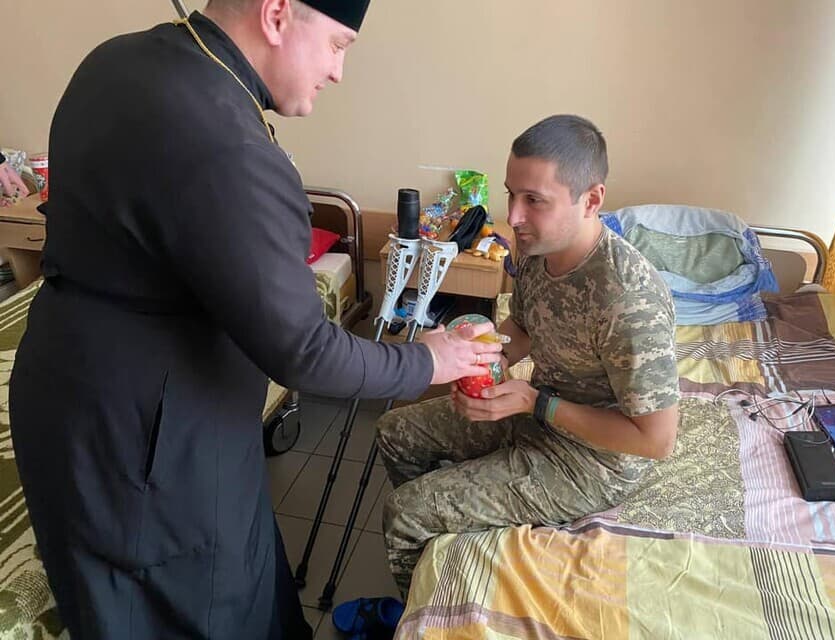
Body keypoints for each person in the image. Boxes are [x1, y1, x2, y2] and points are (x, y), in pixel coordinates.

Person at [9, 1, 501, 638]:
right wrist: (431, 357)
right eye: (336, 44)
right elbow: (305, 350)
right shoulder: (230, 143)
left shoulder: (117, 60)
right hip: (144, 436)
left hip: (63, 380)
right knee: (193, 605)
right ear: (276, 14)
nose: (339, 71)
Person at [377, 114, 681, 597]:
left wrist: (536, 402)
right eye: (511, 194)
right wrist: (477, 351)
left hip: (592, 460)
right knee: (394, 431)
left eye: (534, 200)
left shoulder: (626, 298)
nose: (514, 217)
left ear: (592, 199)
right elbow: (522, 328)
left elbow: (656, 440)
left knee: (406, 512)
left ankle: (430, 578)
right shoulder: (537, 250)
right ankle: (451, 543)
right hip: (535, 411)